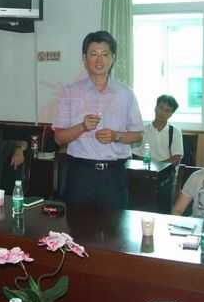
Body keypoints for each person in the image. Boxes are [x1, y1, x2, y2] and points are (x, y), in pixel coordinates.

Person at [53, 30, 143, 209]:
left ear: (113, 58)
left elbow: (138, 135)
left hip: (114, 175)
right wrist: (82, 127)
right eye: (93, 54)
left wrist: (116, 136)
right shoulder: (70, 92)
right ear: (84, 58)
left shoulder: (126, 94)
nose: (99, 60)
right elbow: (59, 138)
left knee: (116, 225)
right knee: (77, 225)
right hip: (80, 174)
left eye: (105, 54)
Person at [132, 94, 184, 166]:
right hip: (144, 169)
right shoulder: (142, 130)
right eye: (160, 108)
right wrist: (149, 167)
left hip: (166, 171)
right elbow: (135, 155)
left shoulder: (175, 132)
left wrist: (157, 167)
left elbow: (176, 158)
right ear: (155, 108)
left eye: (167, 110)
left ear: (171, 114)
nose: (162, 112)